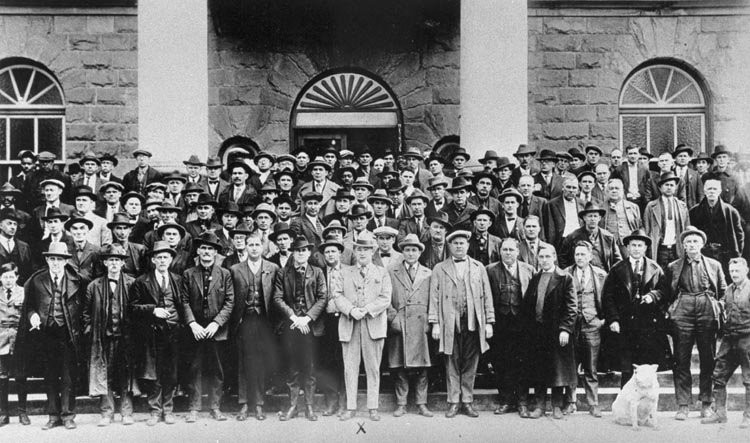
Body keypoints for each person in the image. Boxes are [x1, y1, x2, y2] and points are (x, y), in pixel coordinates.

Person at [429, 230, 494, 418]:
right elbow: (434, 297)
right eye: (455, 243)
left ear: (467, 245)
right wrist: (435, 323)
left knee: (470, 363)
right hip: (449, 323)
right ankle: (454, 402)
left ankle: (467, 401)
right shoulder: (440, 268)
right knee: (451, 362)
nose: (459, 246)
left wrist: (489, 322)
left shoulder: (478, 267)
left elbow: (487, 295)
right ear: (449, 246)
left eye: (462, 243)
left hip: (473, 322)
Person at [664, 226, 727, 421]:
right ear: (682, 245)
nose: (692, 245)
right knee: (681, 359)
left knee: (708, 358)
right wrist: (671, 309)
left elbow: (723, 290)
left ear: (702, 244)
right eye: (688, 242)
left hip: (706, 309)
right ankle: (683, 405)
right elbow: (666, 291)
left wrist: (719, 305)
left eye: (695, 241)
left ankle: (706, 403)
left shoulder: (714, 265)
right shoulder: (673, 266)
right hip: (683, 308)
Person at [23, 242, 85, 430]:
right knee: (50, 376)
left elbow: (84, 308)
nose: (56, 263)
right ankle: (52, 415)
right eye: (52, 259)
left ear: (66, 261)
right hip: (46, 333)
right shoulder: (37, 280)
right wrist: (33, 316)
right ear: (47, 260)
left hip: (68, 333)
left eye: (59, 259)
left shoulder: (78, 280)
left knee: (68, 376)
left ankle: (67, 415)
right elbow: (30, 306)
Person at [334, 232, 392, 422]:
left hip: (373, 325)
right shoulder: (344, 272)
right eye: (359, 249)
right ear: (355, 251)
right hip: (350, 324)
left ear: (372, 251)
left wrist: (366, 309)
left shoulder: (382, 272)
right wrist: (351, 310)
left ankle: (372, 407)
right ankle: (351, 407)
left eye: (366, 249)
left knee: (373, 368)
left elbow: (385, 298)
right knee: (349, 368)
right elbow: (337, 295)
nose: (362, 252)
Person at [602, 229, 671, 386]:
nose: (636, 248)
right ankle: (627, 403)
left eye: (640, 245)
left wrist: (652, 296)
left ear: (645, 248)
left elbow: (665, 292)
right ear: (627, 247)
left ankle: (645, 404)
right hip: (625, 324)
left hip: (648, 325)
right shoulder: (617, 269)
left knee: (646, 365)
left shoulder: (656, 268)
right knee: (627, 366)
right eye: (633, 245)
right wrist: (613, 319)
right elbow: (608, 297)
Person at [181, 232, 235, 423]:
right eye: (203, 248)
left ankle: (215, 407)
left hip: (216, 330)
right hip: (195, 330)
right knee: (194, 368)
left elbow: (230, 302)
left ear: (215, 253)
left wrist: (216, 323)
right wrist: (193, 324)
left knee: (216, 369)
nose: (206, 252)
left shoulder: (225, 274)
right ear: (198, 250)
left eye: (210, 249)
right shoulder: (188, 274)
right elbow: (184, 301)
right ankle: (194, 407)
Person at [518, 244, 577, 420]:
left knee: (557, 371)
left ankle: (557, 406)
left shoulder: (564, 278)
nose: (544, 260)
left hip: (557, 332)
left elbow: (572, 307)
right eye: (541, 257)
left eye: (547, 257)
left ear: (554, 257)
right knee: (539, 371)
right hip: (538, 333)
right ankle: (540, 406)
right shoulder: (535, 278)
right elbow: (528, 305)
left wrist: (565, 329)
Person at [129, 241, 183, 426]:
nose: (162, 260)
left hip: (174, 333)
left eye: (165, 257)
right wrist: (153, 310)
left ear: (171, 259)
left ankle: (168, 410)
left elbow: (184, 305)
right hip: (151, 334)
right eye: (158, 257)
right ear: (153, 259)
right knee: (154, 373)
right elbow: (133, 308)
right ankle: (155, 410)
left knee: (171, 373)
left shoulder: (178, 280)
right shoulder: (141, 281)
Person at [273, 236, 327, 422]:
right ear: (293, 253)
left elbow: (322, 298)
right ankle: (293, 406)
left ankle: (310, 407)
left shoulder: (318, 272)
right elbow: (277, 298)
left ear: (309, 252)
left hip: (310, 328)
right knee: (293, 368)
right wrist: (295, 317)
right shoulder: (282, 273)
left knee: (310, 367)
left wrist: (307, 318)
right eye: (297, 250)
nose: (301, 253)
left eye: (304, 250)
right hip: (291, 326)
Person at [82, 244, 136, 427]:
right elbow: (86, 313)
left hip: (126, 337)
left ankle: (126, 412)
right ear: (105, 262)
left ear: (122, 263)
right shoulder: (93, 286)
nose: (114, 263)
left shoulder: (132, 283)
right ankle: (107, 413)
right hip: (102, 338)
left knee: (126, 374)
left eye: (117, 260)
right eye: (111, 260)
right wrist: (90, 331)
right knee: (104, 374)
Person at [229, 233, 279, 421]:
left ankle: (258, 404)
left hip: (264, 321)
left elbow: (277, 296)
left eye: (257, 244)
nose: (254, 248)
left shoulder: (272, 268)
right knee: (243, 362)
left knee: (260, 362)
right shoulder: (235, 269)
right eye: (250, 244)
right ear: (245, 247)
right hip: (244, 321)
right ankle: (243, 404)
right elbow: (231, 298)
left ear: (263, 247)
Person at [486, 238, 534, 415]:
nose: (508, 253)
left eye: (511, 250)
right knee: (501, 363)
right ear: (500, 251)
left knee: (523, 363)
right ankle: (506, 400)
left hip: (522, 324)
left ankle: (522, 402)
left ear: (518, 251)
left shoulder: (529, 270)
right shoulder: (490, 270)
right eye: (504, 249)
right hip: (500, 324)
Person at [387, 234, 434, 418]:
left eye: (414, 250)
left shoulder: (428, 273)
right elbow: (385, 297)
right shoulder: (391, 271)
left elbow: (434, 300)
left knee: (423, 367)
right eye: (407, 249)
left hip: (421, 324)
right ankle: (401, 403)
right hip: (400, 323)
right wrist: (393, 318)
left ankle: (422, 403)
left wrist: (431, 321)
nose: (410, 253)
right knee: (399, 367)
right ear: (402, 252)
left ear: (420, 252)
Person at [702, 258, 750, 428]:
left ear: (746, 271)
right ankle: (720, 413)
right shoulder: (728, 290)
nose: (734, 274)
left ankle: (748, 416)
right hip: (729, 339)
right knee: (719, 376)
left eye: (737, 271)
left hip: (747, 339)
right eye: (732, 272)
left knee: (749, 379)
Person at [563, 241, 607, 418]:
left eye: (583, 254)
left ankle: (593, 403)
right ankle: (570, 402)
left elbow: (607, 298)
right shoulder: (565, 274)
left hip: (592, 325)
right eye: (577, 254)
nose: (579, 258)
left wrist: (602, 320)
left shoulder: (601, 275)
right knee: (570, 366)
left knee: (591, 366)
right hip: (572, 326)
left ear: (590, 256)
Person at [689, 178, 744, 278]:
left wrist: (736, 255)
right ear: (704, 191)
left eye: (715, 189)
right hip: (704, 254)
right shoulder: (694, 212)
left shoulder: (730, 211)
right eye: (709, 189)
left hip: (725, 255)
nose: (712, 191)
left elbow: (739, 235)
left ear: (719, 191)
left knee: (724, 282)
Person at [317, 236, 347, 417]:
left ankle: (344, 401)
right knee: (327, 361)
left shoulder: (349, 272)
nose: (330, 254)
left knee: (344, 361)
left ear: (340, 253)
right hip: (325, 321)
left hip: (344, 320)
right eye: (327, 251)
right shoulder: (319, 271)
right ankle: (331, 400)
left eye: (333, 251)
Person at [0, 263, 29, 426]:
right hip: (1, 338)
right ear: (0, 278)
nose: (8, 280)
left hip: (19, 338)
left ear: (17, 277)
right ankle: (3, 413)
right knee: (2, 377)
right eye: (5, 277)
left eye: (11, 276)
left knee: (20, 376)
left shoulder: (24, 292)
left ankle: (22, 412)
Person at [643, 172, 690, 269]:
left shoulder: (682, 206)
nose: (669, 187)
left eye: (672, 185)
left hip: (676, 248)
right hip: (660, 249)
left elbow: (686, 229)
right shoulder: (651, 206)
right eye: (666, 185)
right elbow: (646, 229)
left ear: (675, 188)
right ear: (660, 188)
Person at [559, 202, 622, 272]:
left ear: (599, 218)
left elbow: (617, 260)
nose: (592, 219)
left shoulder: (609, 237)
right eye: (590, 216)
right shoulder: (573, 237)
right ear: (584, 218)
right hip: (580, 276)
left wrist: (611, 276)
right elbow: (562, 258)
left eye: (595, 216)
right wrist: (570, 276)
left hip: (603, 276)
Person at [600, 178, 641, 258]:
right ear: (607, 192)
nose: (614, 191)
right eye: (611, 189)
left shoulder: (633, 207)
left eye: (617, 188)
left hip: (627, 245)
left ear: (622, 191)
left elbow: (639, 226)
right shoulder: (601, 208)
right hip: (608, 246)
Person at [546, 177, 582, 248]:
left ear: (578, 190)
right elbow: (550, 229)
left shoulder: (582, 204)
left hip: (579, 240)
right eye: (568, 187)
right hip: (561, 241)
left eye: (574, 188)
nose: (571, 190)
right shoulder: (552, 204)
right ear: (563, 188)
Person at [673, 144, 704, 209]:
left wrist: (699, 208)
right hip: (674, 209)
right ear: (675, 158)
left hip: (691, 209)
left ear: (689, 158)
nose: (682, 158)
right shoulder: (671, 173)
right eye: (680, 156)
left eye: (685, 156)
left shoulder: (695, 174)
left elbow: (700, 194)